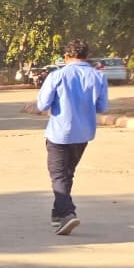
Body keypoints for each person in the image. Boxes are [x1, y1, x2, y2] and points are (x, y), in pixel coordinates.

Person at [35, 39, 108, 236]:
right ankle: (58, 214)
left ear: (66, 56)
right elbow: (102, 107)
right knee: (67, 173)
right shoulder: (98, 76)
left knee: (58, 175)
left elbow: (42, 104)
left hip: (60, 133)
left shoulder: (57, 75)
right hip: (84, 133)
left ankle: (68, 213)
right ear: (86, 56)